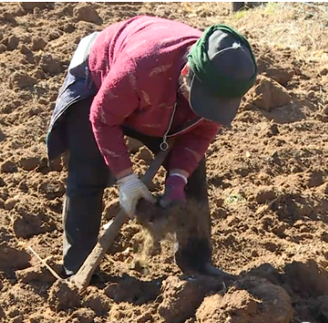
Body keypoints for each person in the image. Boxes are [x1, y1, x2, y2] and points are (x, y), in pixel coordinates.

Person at [45, 15, 257, 278]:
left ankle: (196, 264)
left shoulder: (218, 89)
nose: (204, 111)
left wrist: (177, 179)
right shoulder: (140, 66)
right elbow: (102, 118)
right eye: (201, 100)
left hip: (160, 100)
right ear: (186, 74)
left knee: (193, 179)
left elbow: (199, 136)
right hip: (100, 80)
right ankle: (76, 266)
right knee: (88, 173)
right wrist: (127, 180)